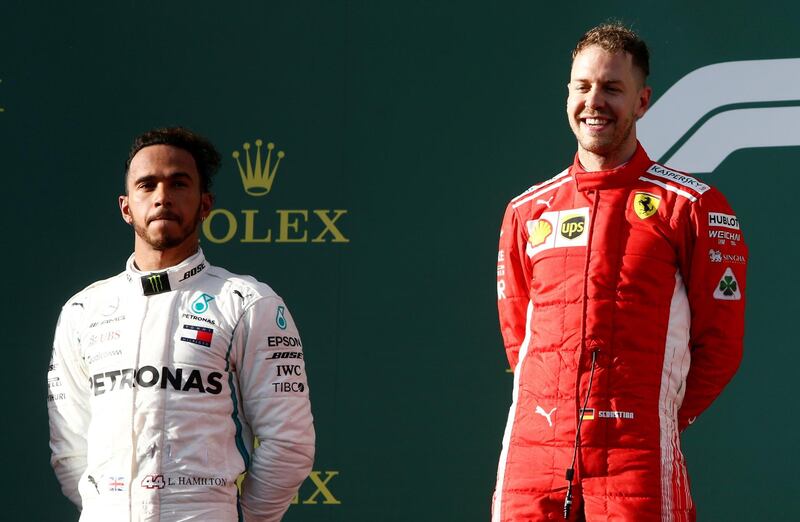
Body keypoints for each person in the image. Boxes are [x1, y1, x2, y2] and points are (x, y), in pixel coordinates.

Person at [493, 23, 747, 521]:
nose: (595, 102)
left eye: (612, 89)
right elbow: (520, 342)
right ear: (568, 94)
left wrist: (651, 418)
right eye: (583, 87)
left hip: (637, 461)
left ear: (642, 102)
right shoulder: (527, 212)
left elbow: (720, 349)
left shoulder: (692, 206)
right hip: (532, 462)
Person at [47, 127, 314, 521]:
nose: (161, 196)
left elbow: (289, 443)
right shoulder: (83, 310)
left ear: (205, 204)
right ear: (126, 207)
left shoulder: (247, 302)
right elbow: (70, 448)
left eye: (178, 183)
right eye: (147, 184)